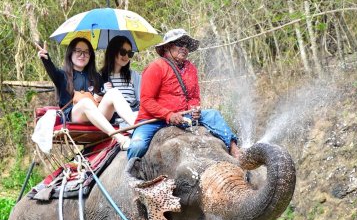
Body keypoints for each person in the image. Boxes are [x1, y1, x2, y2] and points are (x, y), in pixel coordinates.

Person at [127, 28, 241, 160]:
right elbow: (147, 101)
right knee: (137, 145)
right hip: (154, 120)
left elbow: (193, 97)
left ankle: (234, 149)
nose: (184, 48)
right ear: (167, 47)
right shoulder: (155, 67)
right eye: (180, 44)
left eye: (186, 45)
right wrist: (168, 115)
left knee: (213, 115)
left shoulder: (191, 68)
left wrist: (194, 109)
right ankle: (129, 175)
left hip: (184, 116)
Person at [36, 37, 135, 149]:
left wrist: (101, 97)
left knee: (114, 92)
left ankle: (137, 127)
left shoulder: (96, 76)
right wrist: (46, 59)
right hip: (74, 115)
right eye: (78, 51)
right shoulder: (62, 75)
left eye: (86, 52)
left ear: (90, 56)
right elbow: (52, 71)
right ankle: (119, 138)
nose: (82, 55)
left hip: (96, 114)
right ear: (70, 53)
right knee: (86, 102)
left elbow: (102, 97)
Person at [100, 35, 141, 116]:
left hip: (132, 115)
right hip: (110, 118)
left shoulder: (134, 76)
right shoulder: (100, 76)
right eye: (123, 52)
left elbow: (141, 100)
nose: (126, 56)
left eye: (130, 53)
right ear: (113, 52)